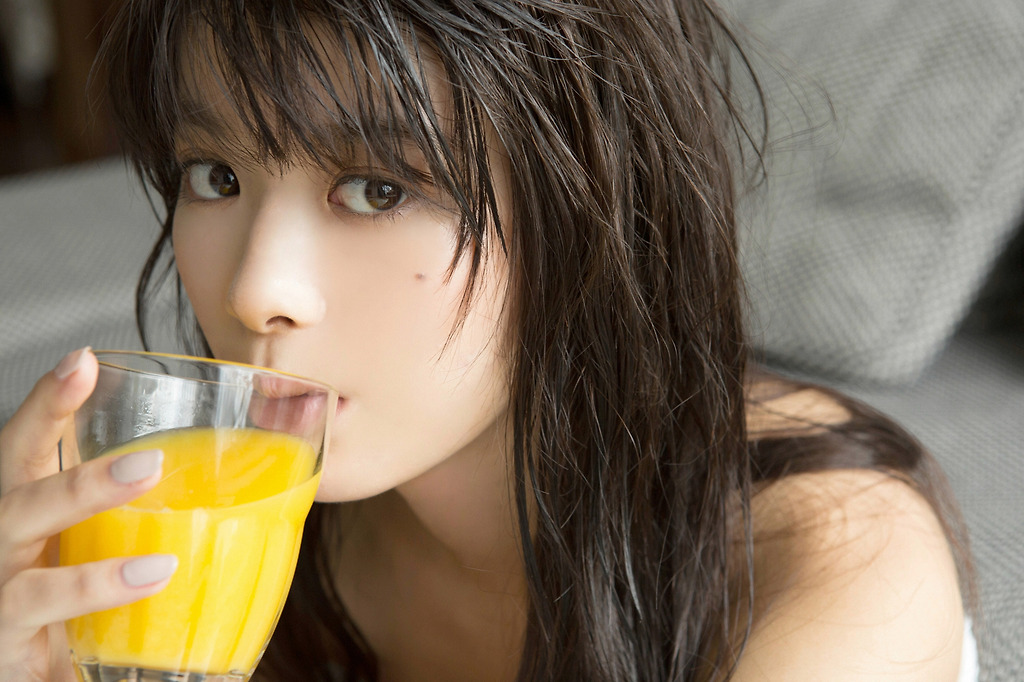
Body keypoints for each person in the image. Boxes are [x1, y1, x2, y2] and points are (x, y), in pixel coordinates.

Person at [0, 1, 975, 680]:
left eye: (378, 189)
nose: (256, 289)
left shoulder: (837, 565)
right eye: (213, 175)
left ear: (596, 208)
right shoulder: (187, 523)